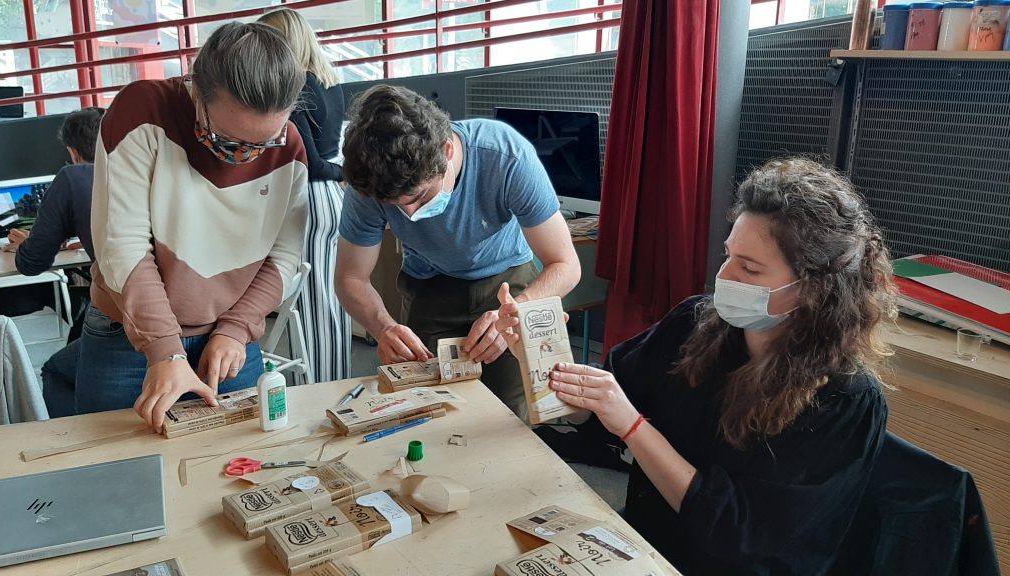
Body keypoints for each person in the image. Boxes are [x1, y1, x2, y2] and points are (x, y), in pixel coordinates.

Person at [496, 158, 897, 574]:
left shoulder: (844, 401)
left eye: (750, 268)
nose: (724, 275)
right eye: (728, 255)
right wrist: (541, 360)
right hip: (648, 548)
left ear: (812, 288)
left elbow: (739, 536)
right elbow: (600, 413)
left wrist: (633, 426)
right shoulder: (694, 324)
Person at [77, 22, 309, 432]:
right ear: (198, 91)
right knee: (120, 475)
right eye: (230, 139)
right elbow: (124, 246)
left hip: (228, 338)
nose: (246, 156)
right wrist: (165, 352)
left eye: (264, 141)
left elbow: (284, 255)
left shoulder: (289, 147)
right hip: (130, 338)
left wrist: (237, 329)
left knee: (244, 468)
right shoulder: (142, 112)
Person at [336, 85, 580, 420]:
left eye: (420, 198)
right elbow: (351, 278)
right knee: (429, 411)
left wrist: (514, 314)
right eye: (397, 207)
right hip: (429, 286)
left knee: (511, 417)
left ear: (447, 151)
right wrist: (383, 328)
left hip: (508, 283)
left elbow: (565, 264)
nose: (409, 215)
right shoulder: (370, 187)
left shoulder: (506, 156)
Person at [258, 7, 351, 382]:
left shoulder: (294, 87)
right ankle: (338, 379)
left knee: (312, 304)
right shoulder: (330, 82)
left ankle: (315, 391)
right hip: (333, 199)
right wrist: (344, 173)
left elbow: (308, 161)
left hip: (308, 199)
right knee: (333, 300)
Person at [3, 106, 104, 418]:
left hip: (122, 316)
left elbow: (32, 263)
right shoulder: (140, 169)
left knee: (55, 371)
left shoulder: (73, 177)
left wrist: (29, 244)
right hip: (193, 311)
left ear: (72, 152)